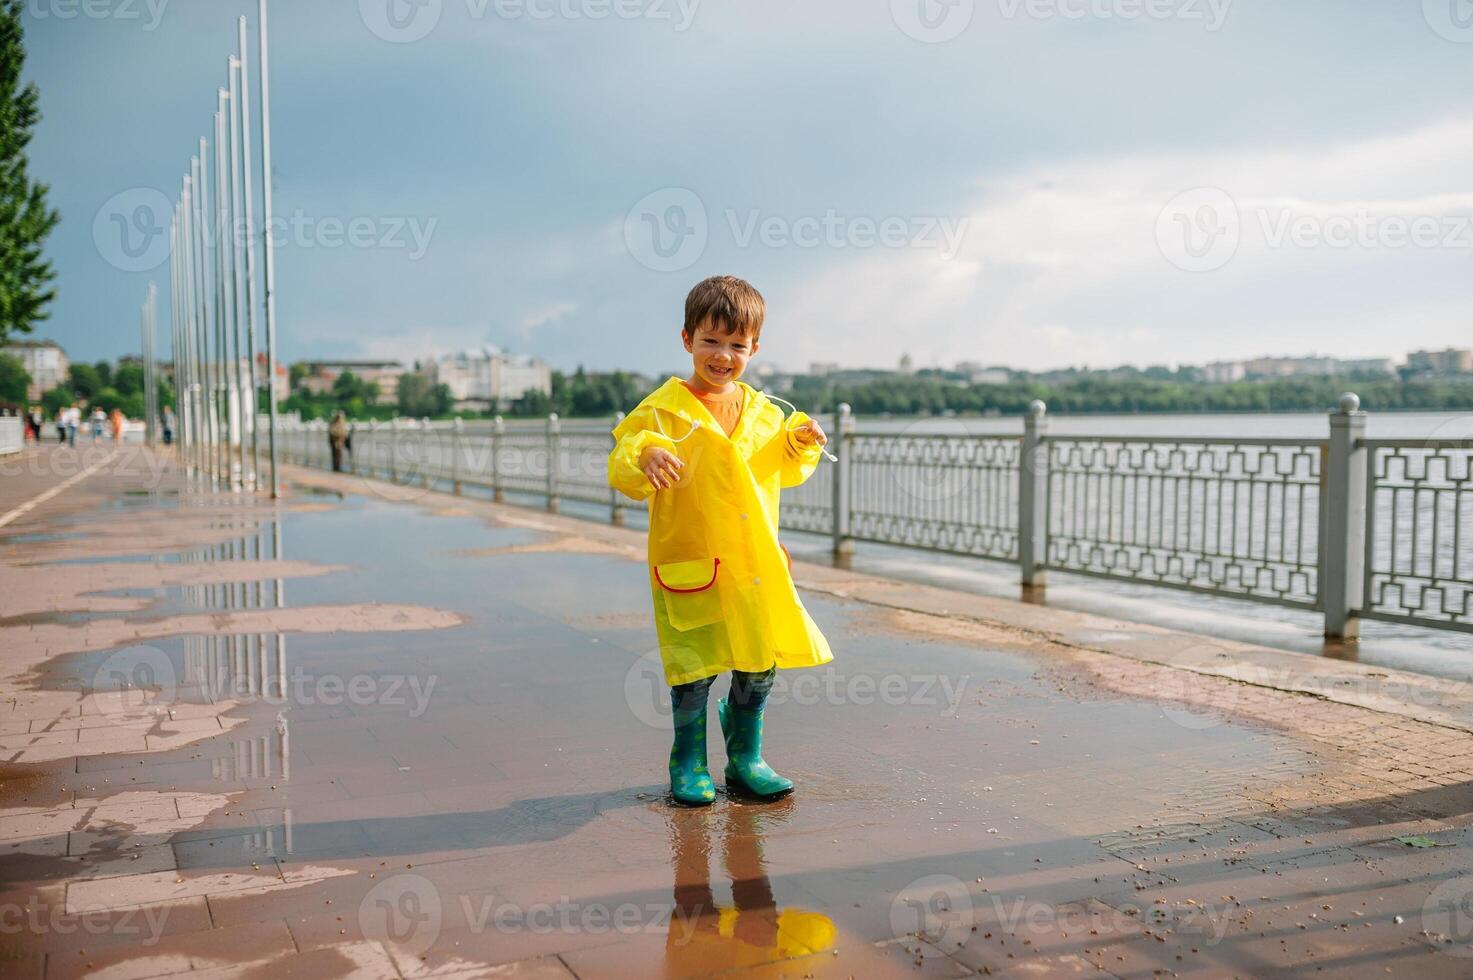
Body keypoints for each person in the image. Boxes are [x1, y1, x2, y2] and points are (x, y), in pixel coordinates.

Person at [608, 276, 831, 806]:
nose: (723, 356)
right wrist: (645, 456)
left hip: (754, 563)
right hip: (690, 562)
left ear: (754, 349)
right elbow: (622, 461)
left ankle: (746, 758)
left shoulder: (766, 412)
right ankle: (688, 762)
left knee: (759, 662)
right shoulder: (662, 410)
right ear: (687, 340)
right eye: (711, 341)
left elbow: (787, 470)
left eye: (737, 345)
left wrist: (801, 444)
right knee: (694, 668)